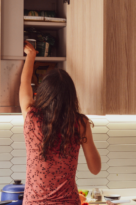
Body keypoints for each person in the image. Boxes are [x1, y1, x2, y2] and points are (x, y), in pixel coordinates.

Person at [19, 41, 101, 205]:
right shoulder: (79, 124)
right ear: (71, 97)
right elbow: (95, 168)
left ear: (42, 93)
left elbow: (25, 83)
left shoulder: (31, 117)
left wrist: (31, 55)